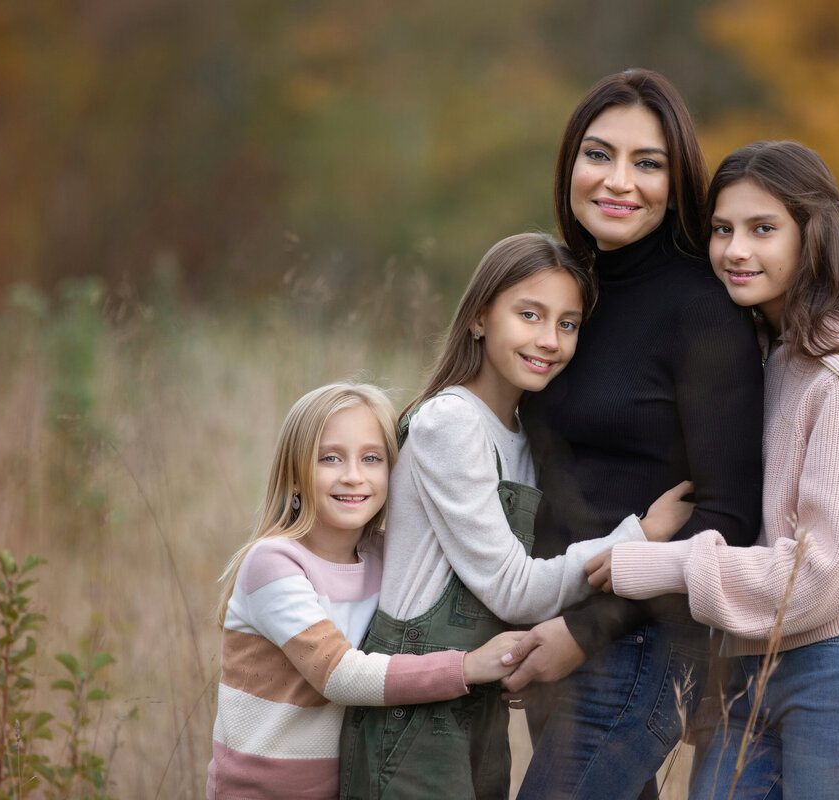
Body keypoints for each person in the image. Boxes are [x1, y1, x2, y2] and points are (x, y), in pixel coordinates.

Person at [587, 140, 839, 799]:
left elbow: (824, 570)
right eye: (722, 230)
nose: (736, 250)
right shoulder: (771, 353)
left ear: (813, 235)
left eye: (762, 229)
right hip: (751, 668)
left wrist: (664, 563)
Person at [338, 233, 695, 800]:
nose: (548, 340)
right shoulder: (450, 424)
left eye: (568, 324)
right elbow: (511, 587)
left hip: (475, 701)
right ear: (480, 317)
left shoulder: (523, 438)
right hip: (414, 708)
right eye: (529, 315)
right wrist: (641, 537)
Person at [504, 70, 764, 800]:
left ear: (677, 179)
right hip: (551, 628)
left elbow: (728, 515)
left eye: (647, 163)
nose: (620, 181)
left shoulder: (702, 307)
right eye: (599, 155)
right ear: (569, 166)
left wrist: (585, 631)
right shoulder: (566, 294)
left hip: (641, 643)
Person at [207, 381, 523, 800]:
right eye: (330, 458)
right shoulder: (274, 564)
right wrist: (468, 668)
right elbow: (339, 675)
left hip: (348, 784)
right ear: (295, 476)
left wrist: (511, 667)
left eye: (371, 458)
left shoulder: (384, 559)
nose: (353, 476)